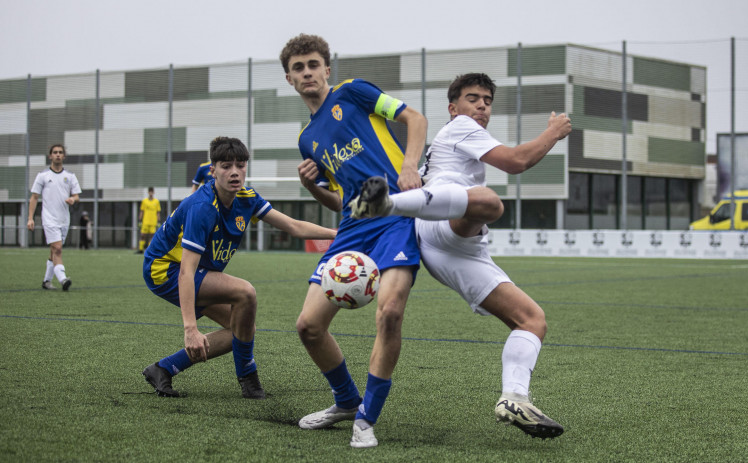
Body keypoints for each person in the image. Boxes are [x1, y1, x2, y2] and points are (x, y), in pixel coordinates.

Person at [351, 73, 572, 439]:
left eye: (487, 100)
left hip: (452, 246)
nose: (482, 105)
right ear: (454, 109)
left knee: (532, 320)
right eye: (473, 98)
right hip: (442, 227)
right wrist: (553, 131)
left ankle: (514, 397)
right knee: (488, 201)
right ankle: (387, 205)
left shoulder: (448, 146)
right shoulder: (460, 128)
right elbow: (516, 161)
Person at [280, 33, 428, 448]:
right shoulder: (307, 139)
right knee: (308, 326)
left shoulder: (355, 92)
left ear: (327, 69)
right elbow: (340, 201)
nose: (307, 72)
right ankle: (346, 401)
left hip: (396, 215)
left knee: (390, 312)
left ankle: (366, 418)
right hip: (353, 227)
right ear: (289, 79)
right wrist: (311, 187)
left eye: (313, 64)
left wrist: (410, 165)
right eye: (298, 68)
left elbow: (415, 118)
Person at [141, 136, 337, 399]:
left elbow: (293, 226)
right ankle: (249, 380)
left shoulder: (247, 198)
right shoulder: (202, 207)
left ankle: (163, 368)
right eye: (225, 166)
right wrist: (190, 329)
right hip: (165, 269)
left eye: (240, 165)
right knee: (245, 292)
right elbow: (187, 271)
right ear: (212, 171)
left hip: (192, 271)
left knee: (242, 329)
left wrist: (338, 234)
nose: (234, 172)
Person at [27, 144, 82, 291]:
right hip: (49, 218)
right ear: (50, 156)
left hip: (64, 219)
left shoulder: (70, 176)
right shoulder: (43, 176)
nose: (57, 155)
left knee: (54, 250)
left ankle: (46, 281)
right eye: (55, 152)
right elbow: (34, 197)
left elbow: (77, 196)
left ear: (64, 156)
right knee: (57, 248)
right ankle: (63, 279)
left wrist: (73, 199)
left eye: (60, 152)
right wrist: (30, 218)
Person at [136, 187, 161, 254]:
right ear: (148, 192)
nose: (151, 193)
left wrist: (158, 221)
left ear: (153, 192)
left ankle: (150, 250)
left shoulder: (156, 202)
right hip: (145, 222)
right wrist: (139, 220)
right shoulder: (144, 201)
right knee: (142, 235)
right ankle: (141, 249)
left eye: (152, 192)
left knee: (151, 236)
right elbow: (142, 211)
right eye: (149, 192)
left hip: (153, 222)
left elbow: (158, 212)